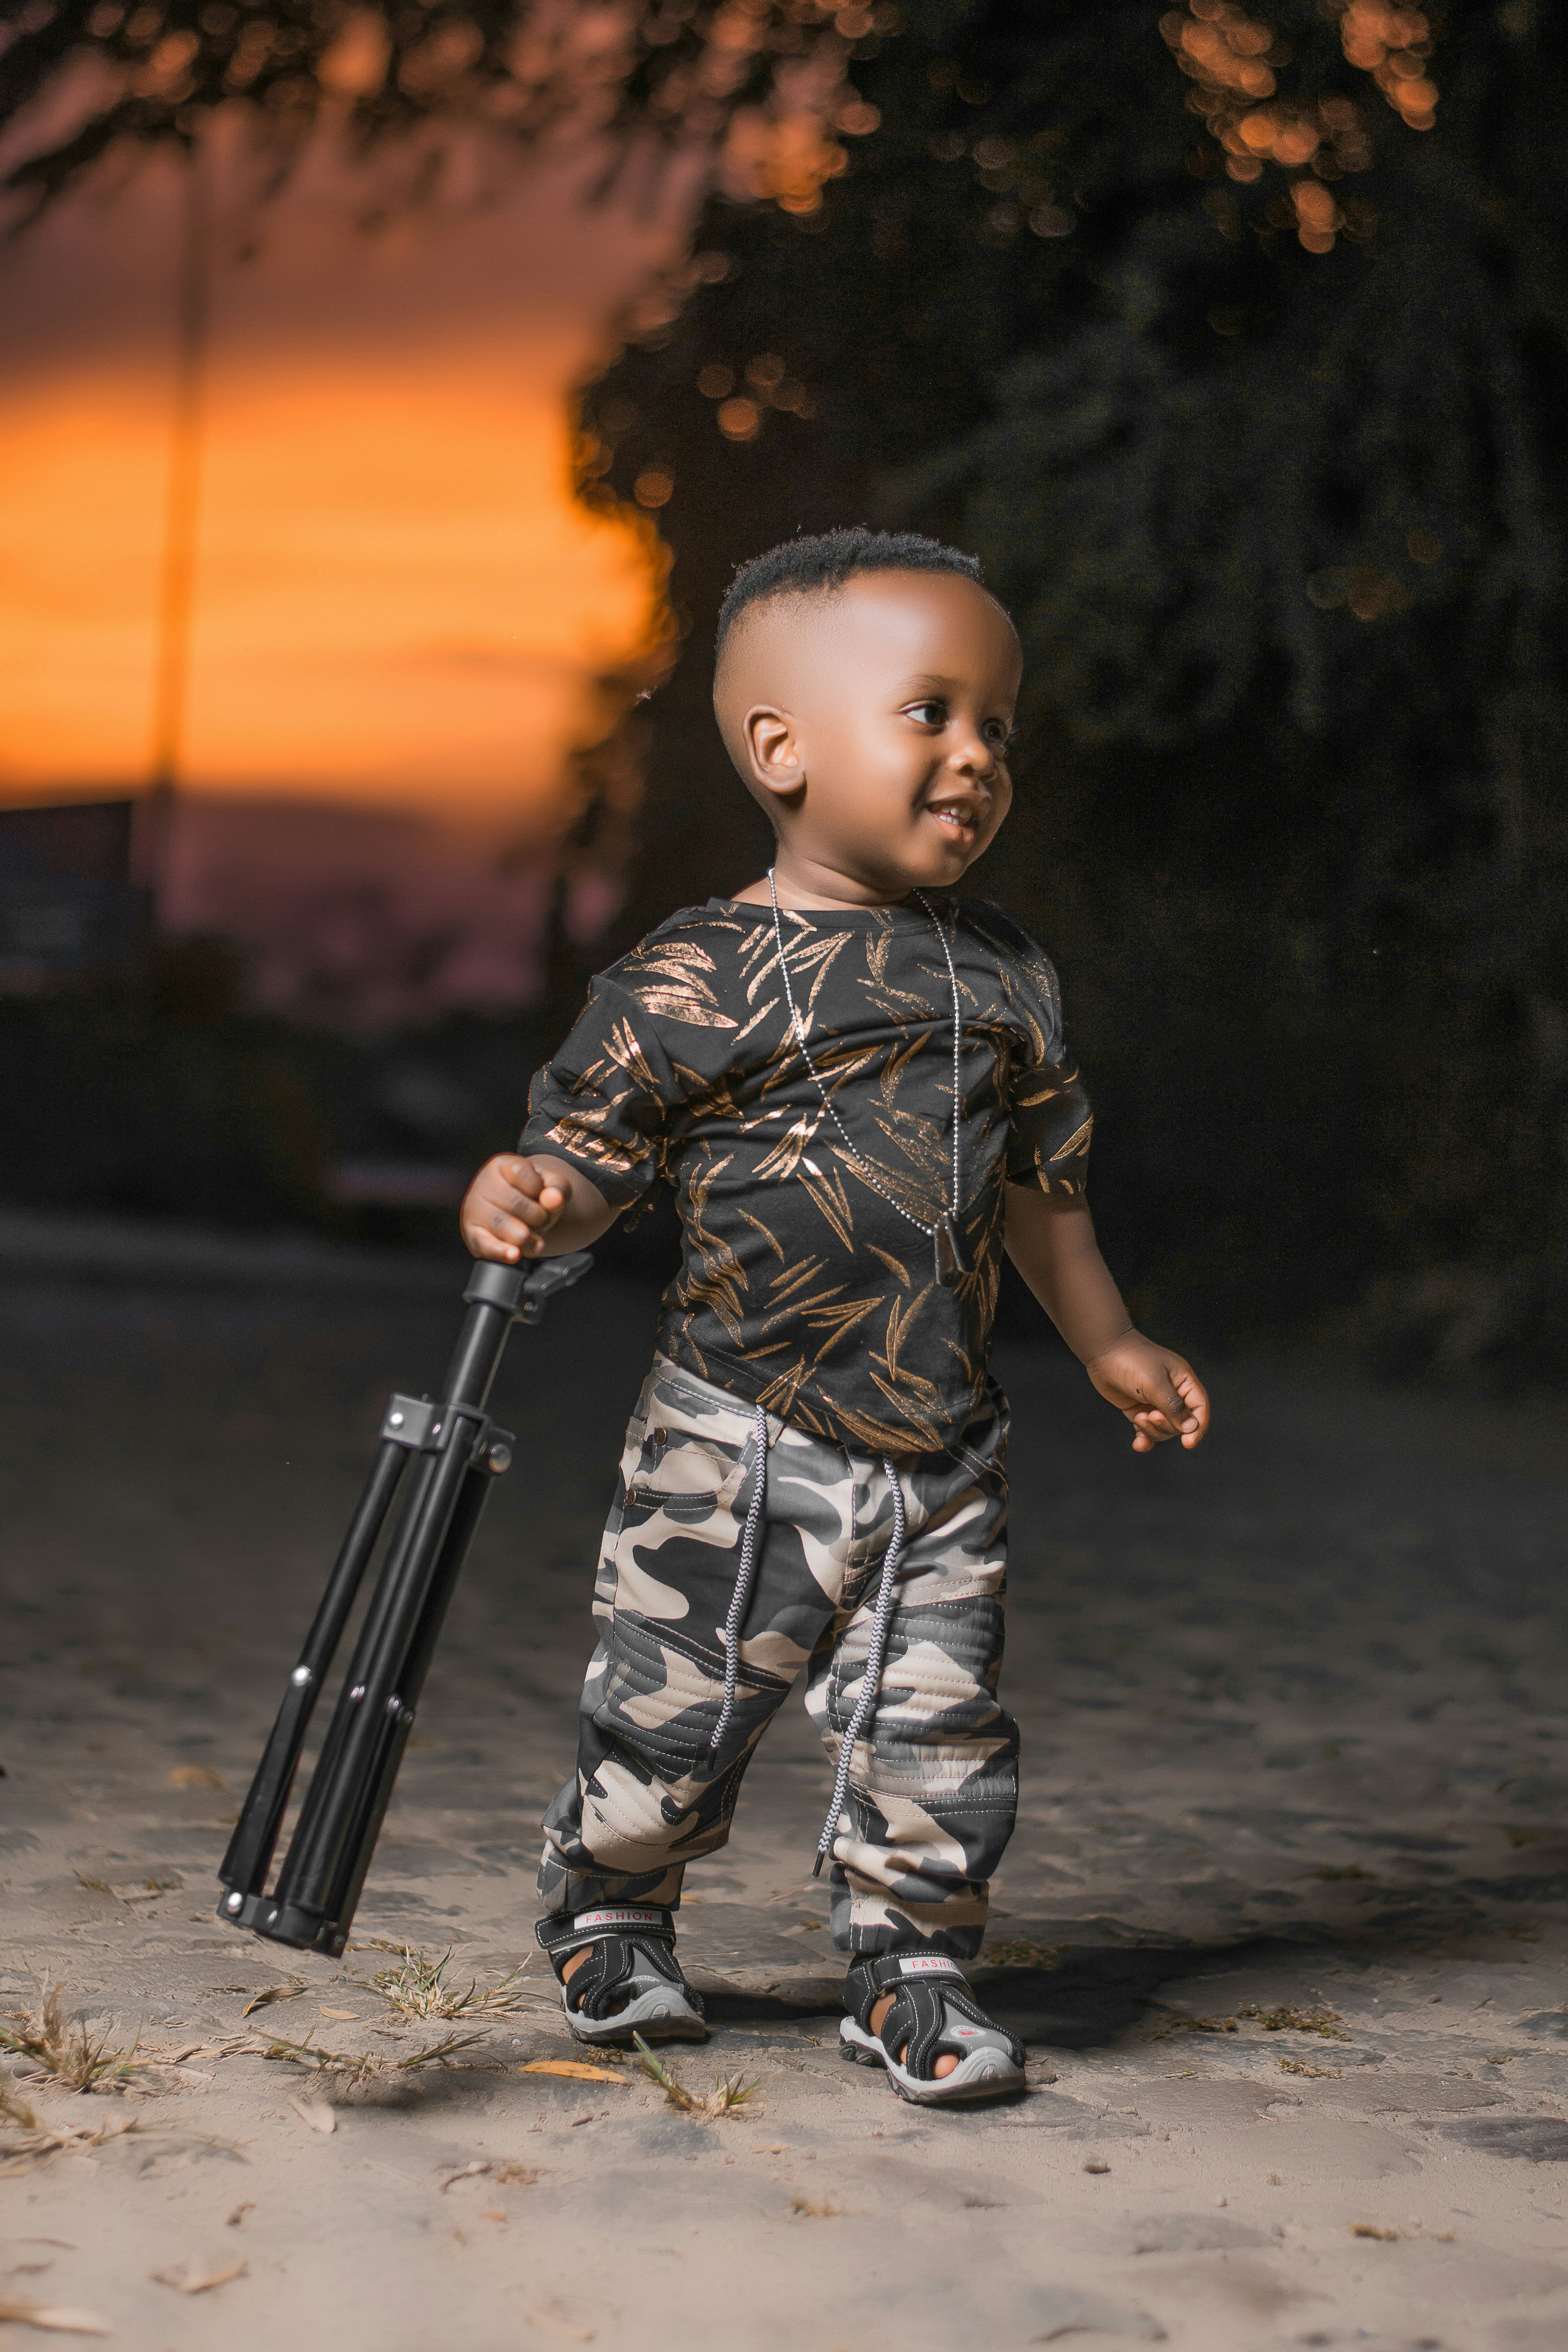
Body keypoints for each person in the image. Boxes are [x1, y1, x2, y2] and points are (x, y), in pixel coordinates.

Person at [459, 526, 1210, 2107]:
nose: (978, 755)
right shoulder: (699, 973)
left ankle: (910, 1966)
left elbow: (1040, 1191)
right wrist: (537, 1192)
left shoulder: (1007, 975)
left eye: (999, 723)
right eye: (930, 712)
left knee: (937, 1725)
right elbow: (595, 1163)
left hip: (943, 1441)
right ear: (781, 748)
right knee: (675, 1713)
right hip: (738, 1431)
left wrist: (1109, 1341)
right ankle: (609, 1908)